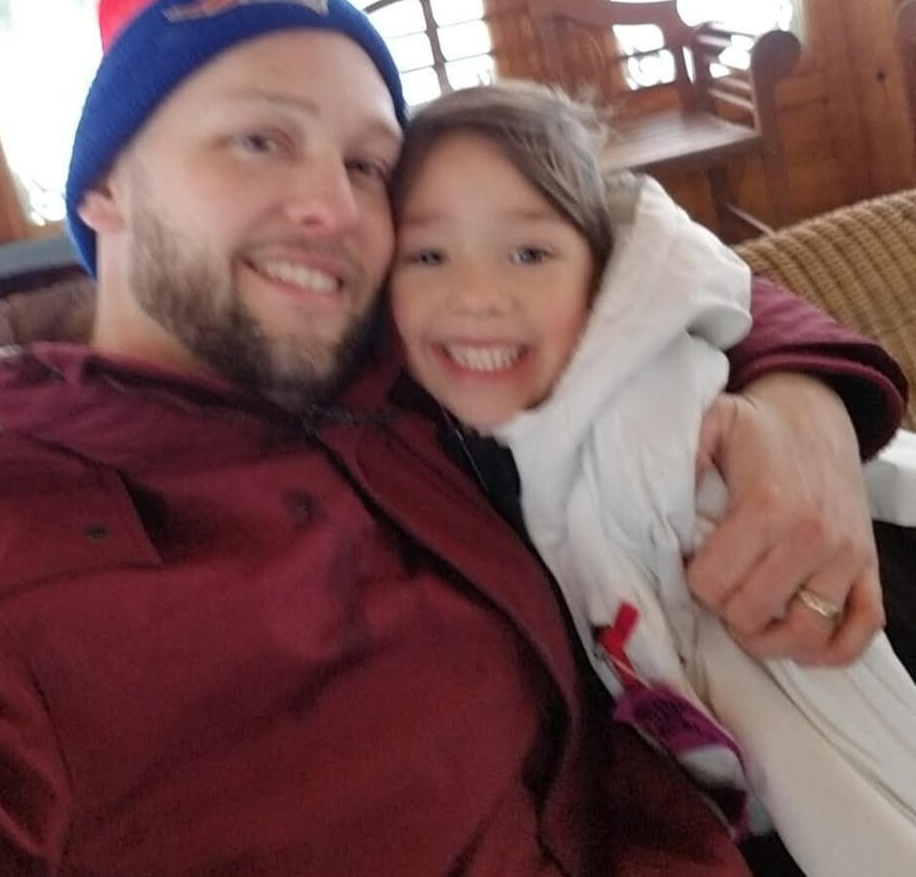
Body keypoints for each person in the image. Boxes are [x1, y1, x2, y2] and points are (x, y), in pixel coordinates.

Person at [0, 0, 905, 877]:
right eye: (258, 140)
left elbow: (639, 256)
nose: (334, 208)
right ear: (102, 191)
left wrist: (803, 406)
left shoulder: (400, 354)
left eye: (366, 164)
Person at [387, 84, 916, 877]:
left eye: (528, 253)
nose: (475, 296)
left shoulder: (660, 440)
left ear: (602, 275)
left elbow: (822, 722)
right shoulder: (473, 439)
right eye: (427, 256)